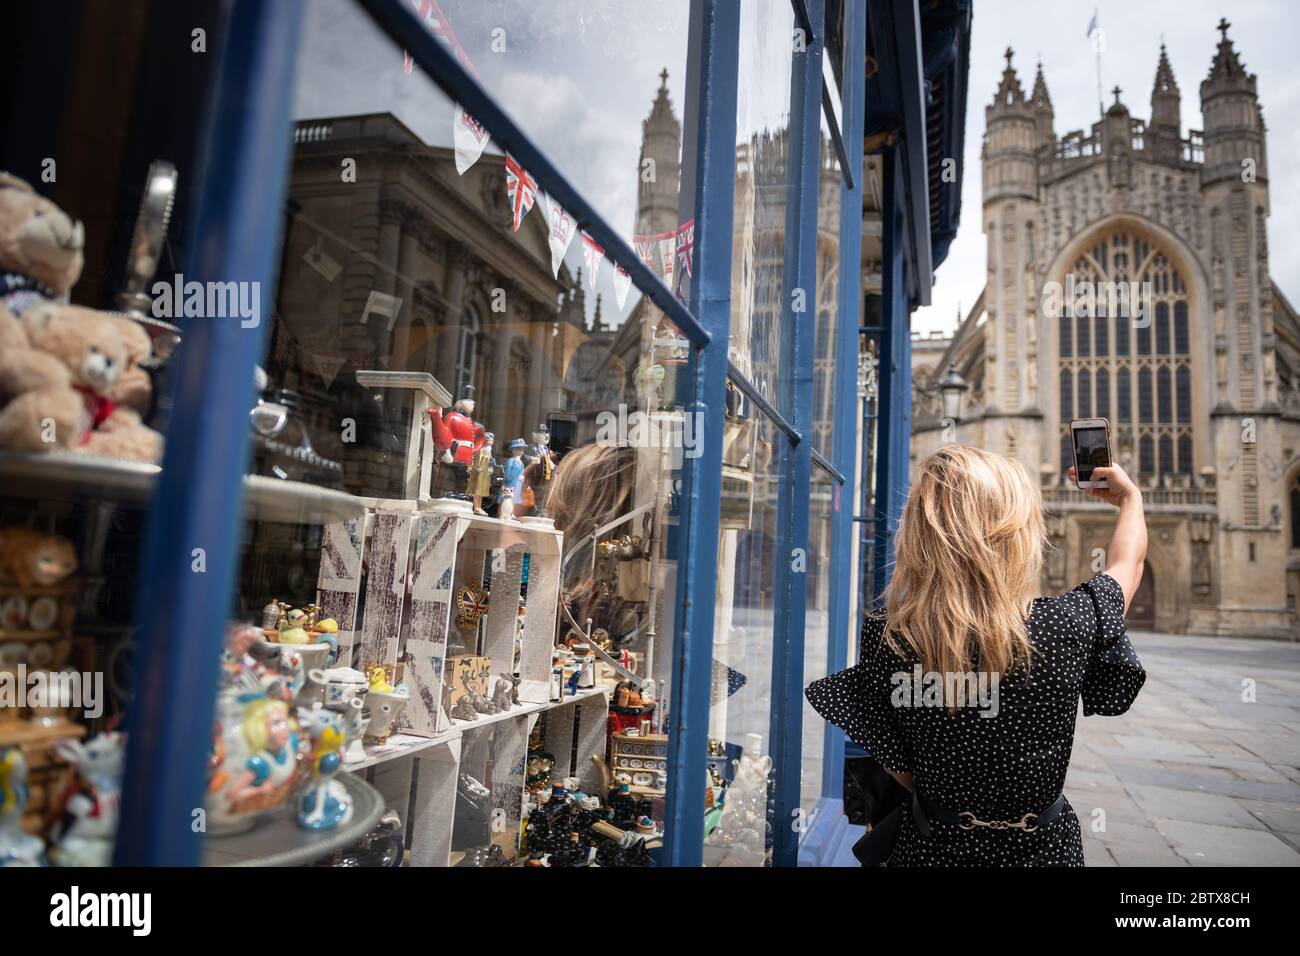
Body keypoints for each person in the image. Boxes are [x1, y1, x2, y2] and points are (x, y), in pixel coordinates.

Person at [806, 445, 1147, 866]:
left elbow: (900, 767)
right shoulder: (1066, 624)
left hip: (931, 849)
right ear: (1018, 535)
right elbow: (1127, 565)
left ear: (918, 533)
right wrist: (1130, 499)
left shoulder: (889, 633)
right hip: (1041, 850)